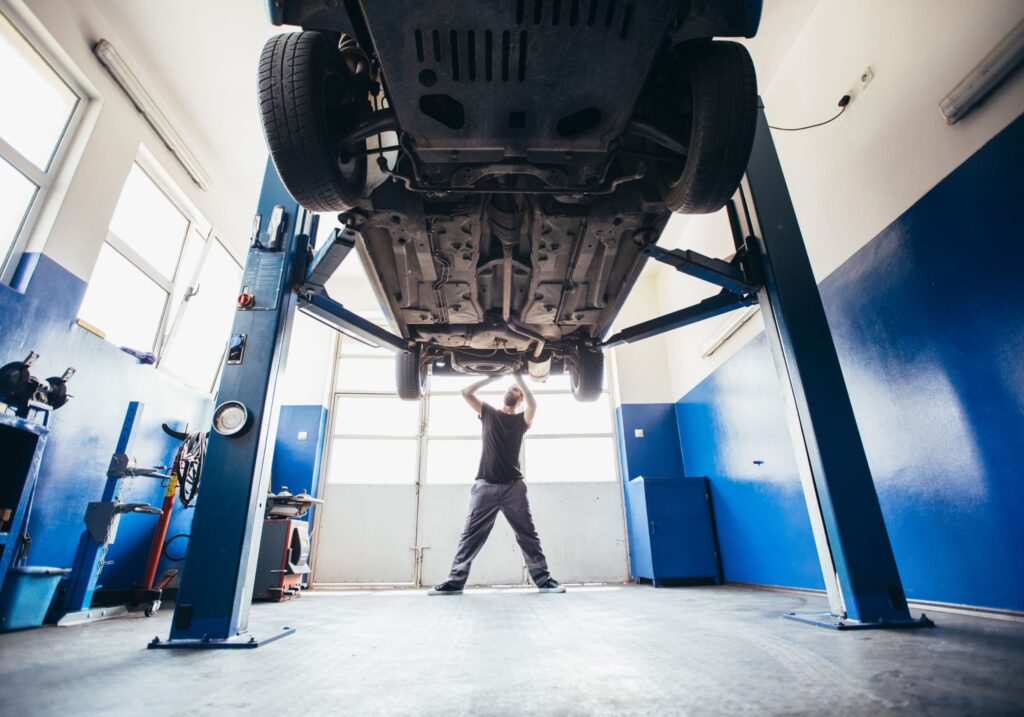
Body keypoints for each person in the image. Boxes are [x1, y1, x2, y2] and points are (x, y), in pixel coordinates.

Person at [428, 372, 565, 595]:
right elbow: (466, 392)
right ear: (504, 394)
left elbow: (534, 404)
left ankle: (544, 580)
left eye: (517, 390)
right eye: (510, 388)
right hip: (485, 487)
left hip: (514, 488)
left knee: (527, 534)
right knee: (470, 535)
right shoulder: (488, 413)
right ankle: (454, 582)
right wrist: (491, 377)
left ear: (520, 399)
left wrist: (519, 378)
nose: (514, 390)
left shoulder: (522, 420)